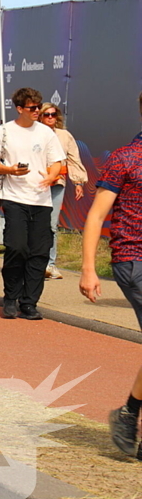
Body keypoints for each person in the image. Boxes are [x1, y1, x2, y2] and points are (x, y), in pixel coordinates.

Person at [79, 94, 142, 457]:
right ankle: (130, 413)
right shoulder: (125, 158)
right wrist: (88, 269)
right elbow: (95, 215)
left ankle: (129, 412)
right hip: (134, 258)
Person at [0, 87, 64, 321]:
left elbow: (57, 161)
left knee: (39, 252)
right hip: (14, 198)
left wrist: (52, 176)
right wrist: (10, 170)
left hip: (42, 201)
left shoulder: (47, 133)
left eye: (39, 107)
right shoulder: (4, 131)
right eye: (32, 108)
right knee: (17, 247)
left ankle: (29, 303)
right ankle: (11, 297)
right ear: (20, 109)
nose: (37, 111)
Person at [39, 102, 87, 280]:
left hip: (57, 183)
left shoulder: (64, 136)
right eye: (46, 114)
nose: (50, 117)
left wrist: (78, 182)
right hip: (35, 184)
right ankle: (33, 263)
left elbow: (74, 158)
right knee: (35, 224)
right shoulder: (33, 133)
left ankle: (50, 265)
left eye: (53, 114)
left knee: (51, 225)